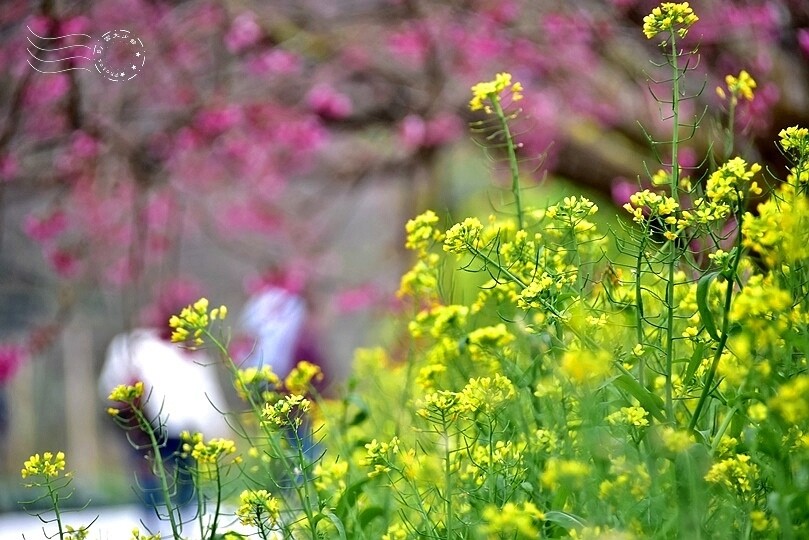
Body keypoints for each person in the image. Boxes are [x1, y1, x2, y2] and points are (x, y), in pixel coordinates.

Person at [99, 320, 229, 535]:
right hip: (143, 428)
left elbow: (203, 391)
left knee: (185, 477)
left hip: (181, 429)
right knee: (150, 479)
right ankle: (154, 531)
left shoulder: (187, 348)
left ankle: (185, 530)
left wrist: (214, 425)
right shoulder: (133, 345)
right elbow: (111, 386)